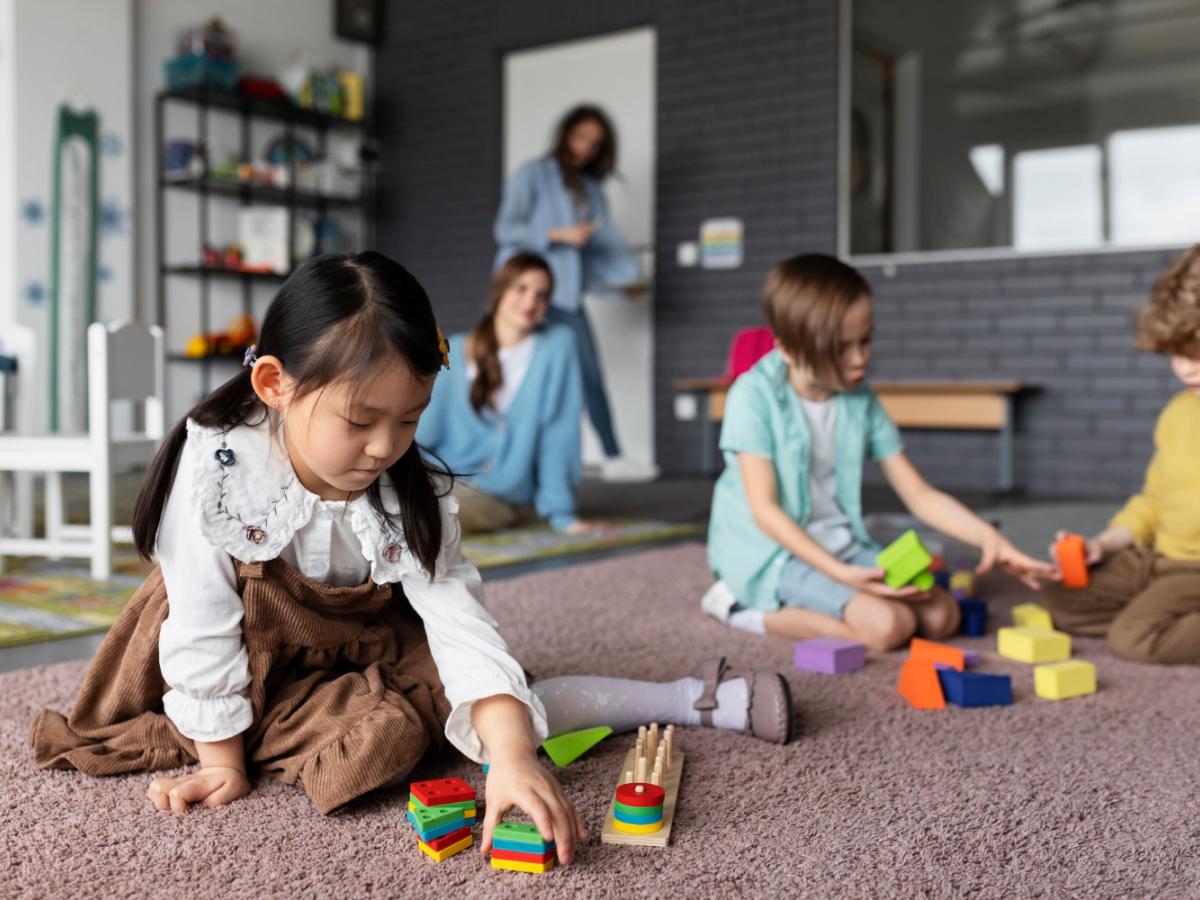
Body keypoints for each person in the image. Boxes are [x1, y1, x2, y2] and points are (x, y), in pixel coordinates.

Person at [28, 252, 792, 866]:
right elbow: (200, 622)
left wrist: (514, 757)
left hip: (364, 639)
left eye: (410, 420)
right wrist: (223, 761)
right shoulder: (217, 473)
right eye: (361, 421)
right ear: (276, 385)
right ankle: (270, 734)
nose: (387, 447)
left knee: (498, 710)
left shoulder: (404, 485)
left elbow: (456, 615)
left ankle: (682, 697)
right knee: (384, 744)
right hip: (249, 652)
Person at [702, 253, 1053, 650]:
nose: (859, 359)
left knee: (942, 616)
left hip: (840, 543)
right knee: (888, 627)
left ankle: (839, 599)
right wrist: (840, 574)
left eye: (865, 340)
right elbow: (765, 511)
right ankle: (738, 606)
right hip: (772, 551)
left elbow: (918, 494)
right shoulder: (753, 395)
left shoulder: (860, 399)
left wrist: (988, 538)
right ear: (787, 348)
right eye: (839, 349)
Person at [1040, 245, 1200, 664]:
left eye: (1198, 349)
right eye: (1176, 351)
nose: (1186, 368)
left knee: (1134, 639)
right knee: (1059, 600)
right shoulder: (1179, 412)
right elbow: (1152, 502)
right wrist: (1103, 544)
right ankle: (1159, 611)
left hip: (1194, 571)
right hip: (1154, 559)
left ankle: (1156, 616)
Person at [494, 104, 653, 482]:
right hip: (524, 294)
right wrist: (557, 234)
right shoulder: (532, 175)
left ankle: (612, 457)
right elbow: (505, 230)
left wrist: (618, 288)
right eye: (582, 137)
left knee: (587, 377)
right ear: (566, 134)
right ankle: (507, 459)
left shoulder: (591, 190)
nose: (586, 148)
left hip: (566, 297)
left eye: (596, 144)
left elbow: (589, 259)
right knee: (519, 378)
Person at [417, 252, 604, 534]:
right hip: (443, 477)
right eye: (522, 288)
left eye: (542, 295)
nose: (531, 302)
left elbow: (559, 434)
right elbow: (423, 432)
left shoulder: (556, 347)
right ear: (500, 290)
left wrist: (562, 514)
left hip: (500, 493)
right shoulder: (456, 347)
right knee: (378, 497)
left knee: (431, 511)